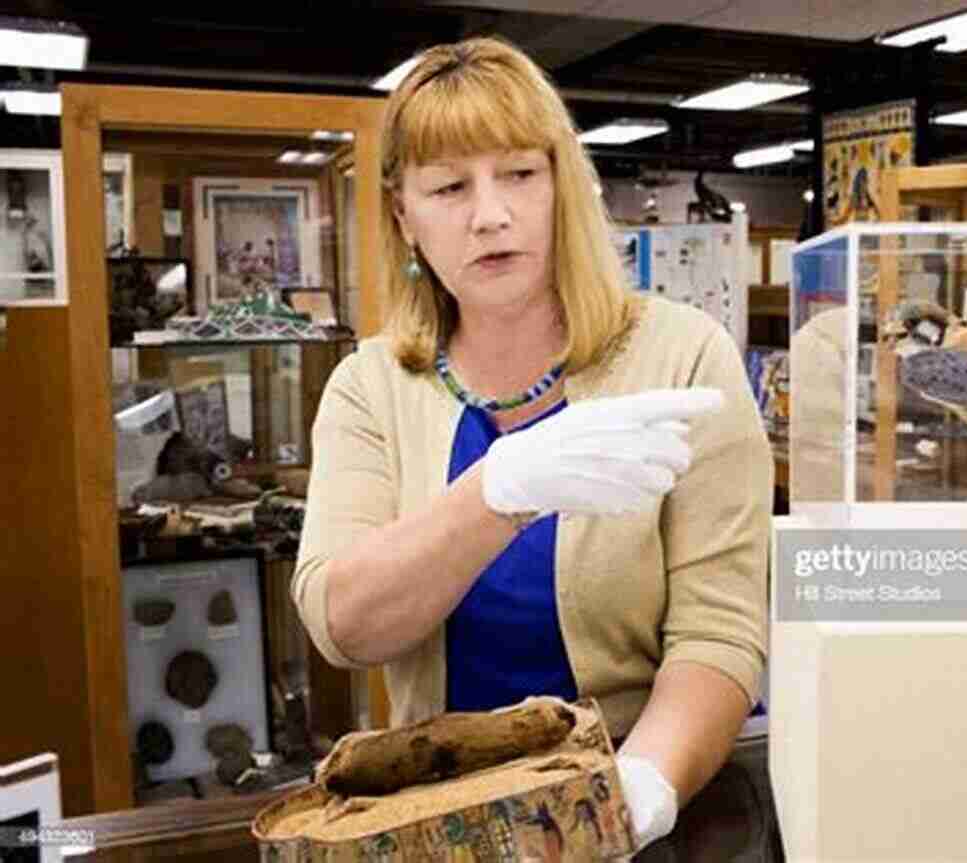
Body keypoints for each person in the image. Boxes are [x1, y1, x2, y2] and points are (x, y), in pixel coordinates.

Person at [292, 36, 773, 852]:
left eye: (519, 173)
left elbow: (719, 633)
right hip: (439, 820)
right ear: (404, 215)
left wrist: (640, 790)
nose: (491, 214)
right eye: (449, 186)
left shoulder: (683, 357)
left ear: (562, 185)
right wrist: (494, 492)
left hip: (650, 802)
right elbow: (344, 623)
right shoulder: (371, 385)